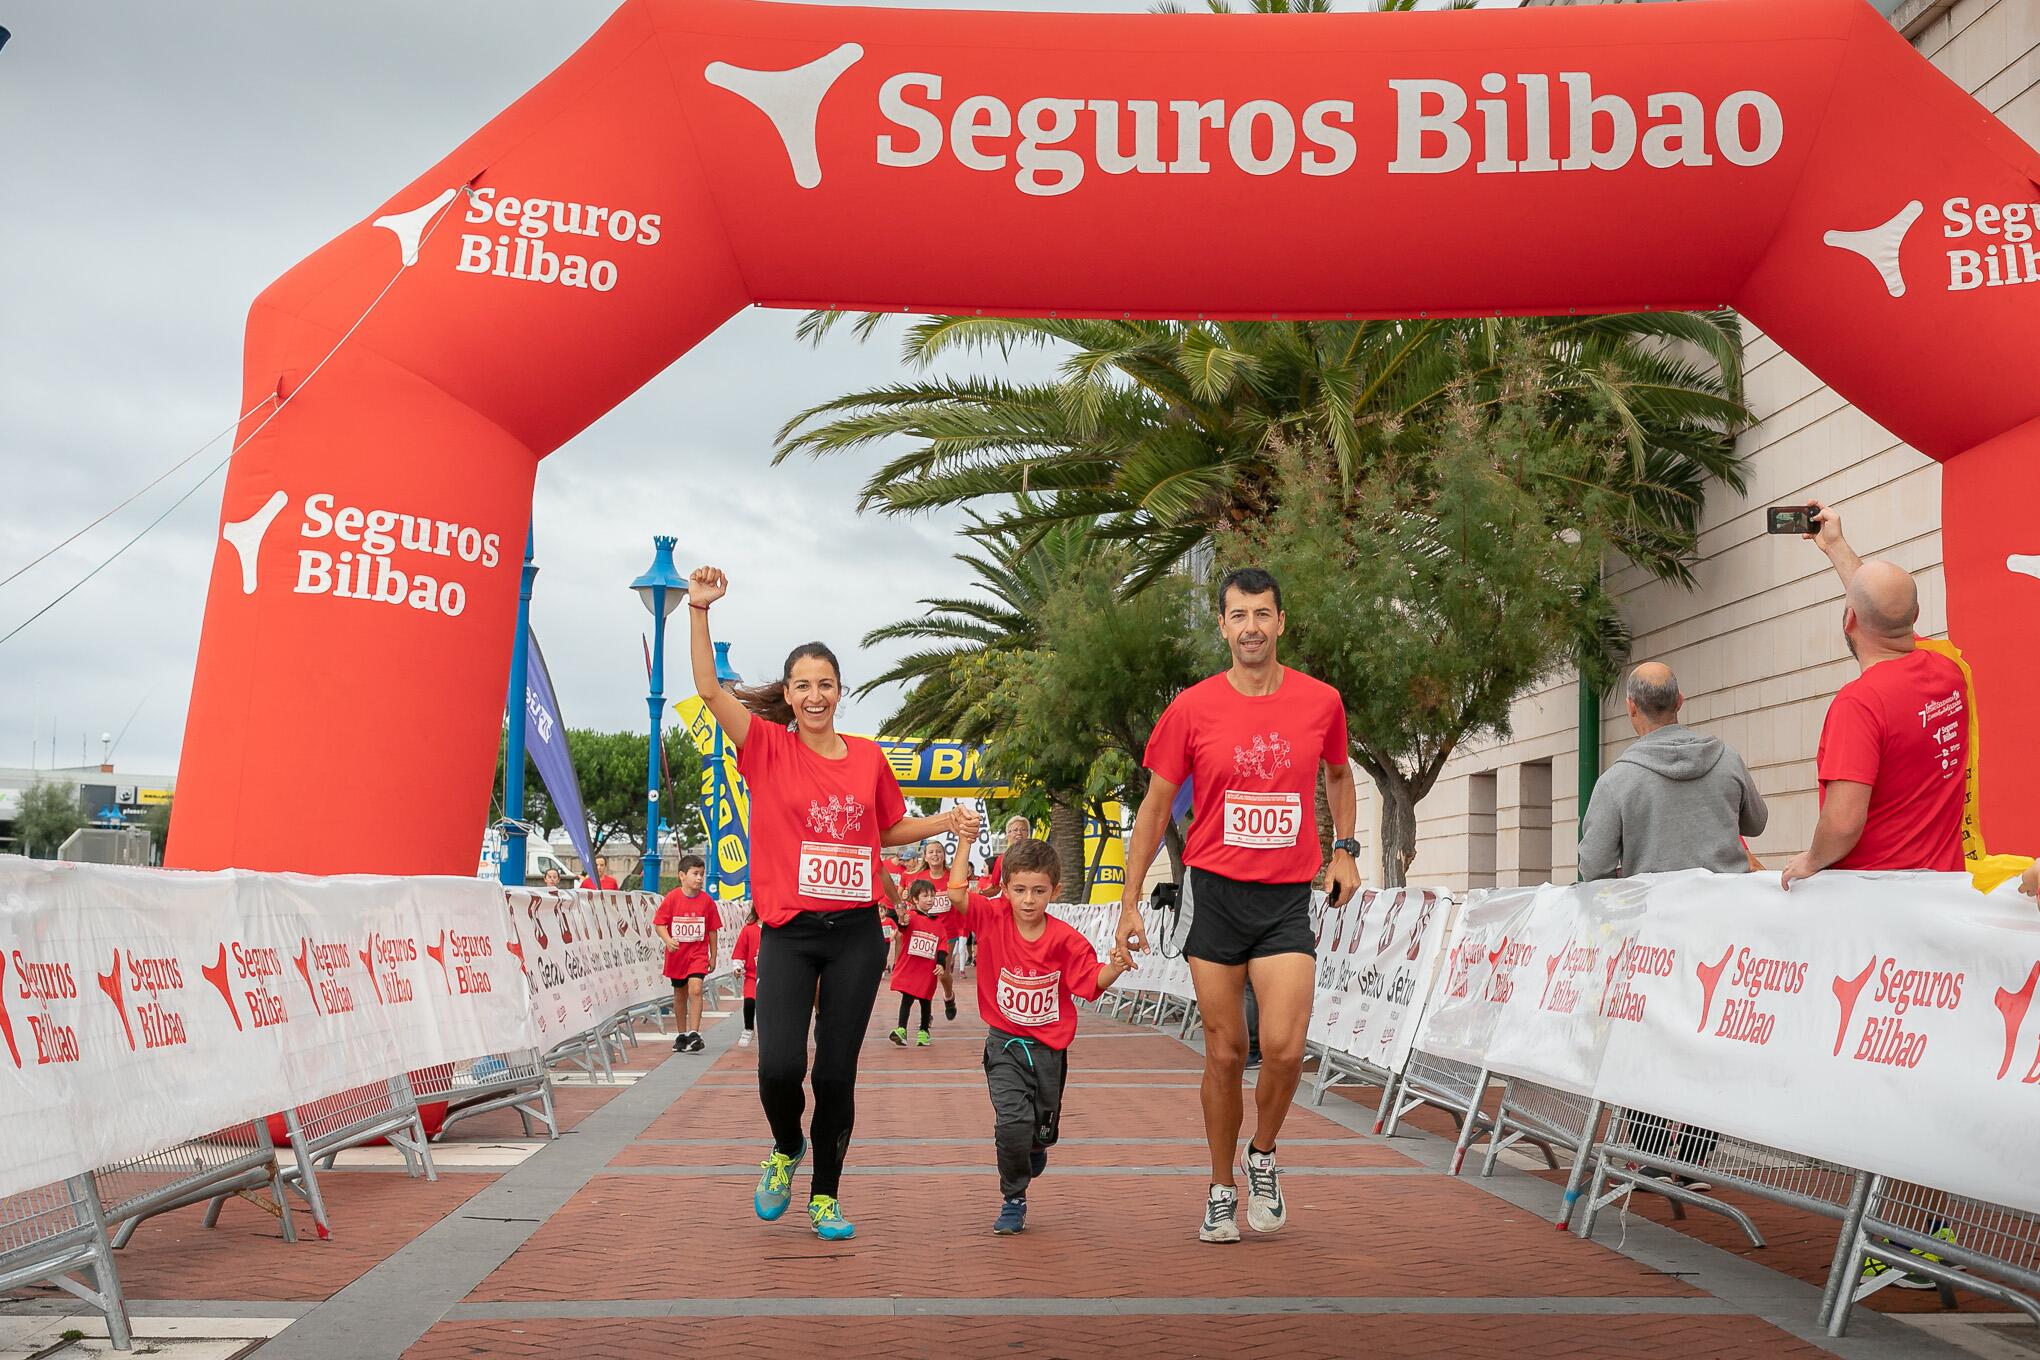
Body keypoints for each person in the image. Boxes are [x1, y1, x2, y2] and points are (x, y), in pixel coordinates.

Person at [686, 564, 966, 1242]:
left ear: (841, 691)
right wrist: (699, 611)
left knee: (836, 1072)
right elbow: (706, 688)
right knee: (781, 1065)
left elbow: (886, 828)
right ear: (788, 693)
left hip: (854, 937)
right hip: (788, 932)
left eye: (826, 685)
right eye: (803, 686)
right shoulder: (765, 746)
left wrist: (945, 822)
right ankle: (786, 1146)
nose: (815, 696)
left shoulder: (869, 758)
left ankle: (826, 1196)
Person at [1116, 566, 1360, 1244]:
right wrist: (1129, 901)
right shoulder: (1192, 709)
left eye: (1262, 614)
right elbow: (1156, 806)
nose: (1250, 626)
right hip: (1213, 894)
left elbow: (1339, 775)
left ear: (1281, 622)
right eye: (1237, 615)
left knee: (1282, 1049)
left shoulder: (1321, 702)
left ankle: (1265, 1154)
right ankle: (1221, 1185)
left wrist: (1346, 848)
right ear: (1222, 626)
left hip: (1285, 897)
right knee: (1226, 1051)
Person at [947, 814, 1132, 1234]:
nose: (1028, 900)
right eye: (1019, 890)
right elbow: (957, 892)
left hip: (1049, 1052)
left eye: (1038, 890)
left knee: (1040, 1131)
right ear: (1005, 888)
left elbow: (1089, 983)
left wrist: (1117, 966)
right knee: (1011, 1122)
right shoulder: (992, 918)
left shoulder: (1067, 940)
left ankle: (1036, 1144)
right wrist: (963, 842)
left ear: (1055, 891)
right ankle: (1014, 1196)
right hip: (1005, 1045)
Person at [1782, 502, 1969, 889]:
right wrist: (1835, 545)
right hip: (1947, 889)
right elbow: (1886, 609)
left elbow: (1844, 822)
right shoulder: (1949, 673)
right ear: (1915, 615)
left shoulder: (1860, 704)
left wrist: (1811, 860)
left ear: (1850, 620)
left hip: (1879, 903)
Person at [1578, 662, 1769, 880]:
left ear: (1631, 707)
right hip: (1725, 907)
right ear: (1679, 701)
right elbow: (1757, 823)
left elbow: (1594, 868)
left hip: (1654, 910)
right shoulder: (1728, 759)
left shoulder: (1615, 781)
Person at [654, 855, 719, 1054]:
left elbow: (713, 930)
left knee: (696, 989)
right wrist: (667, 939)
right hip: (677, 956)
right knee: (680, 995)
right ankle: (681, 1035)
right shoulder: (672, 898)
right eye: (695, 874)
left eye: (702, 874)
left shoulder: (707, 901)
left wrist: (713, 955)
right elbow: (659, 923)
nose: (699, 878)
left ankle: (694, 1033)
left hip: (698, 954)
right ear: (682, 876)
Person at [886, 880, 944, 1046]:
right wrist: (902, 920)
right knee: (907, 996)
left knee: (926, 1000)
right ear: (915, 900)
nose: (930, 899)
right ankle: (901, 1029)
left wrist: (941, 963)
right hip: (912, 968)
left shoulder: (938, 923)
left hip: (928, 970)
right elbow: (903, 926)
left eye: (932, 896)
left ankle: (924, 1031)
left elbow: (942, 944)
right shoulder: (910, 917)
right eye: (925, 896)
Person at [920, 838, 963, 1019]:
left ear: (944, 856)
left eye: (939, 851)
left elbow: (963, 898)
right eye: (931, 852)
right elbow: (913, 902)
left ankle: (948, 996)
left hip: (948, 933)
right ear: (925, 857)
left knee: (942, 973)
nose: (935, 855)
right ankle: (926, 1012)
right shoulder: (920, 878)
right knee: (925, 974)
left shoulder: (953, 876)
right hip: (925, 932)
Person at [731, 909, 762, 1048]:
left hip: (773, 976)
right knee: (749, 1002)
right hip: (752, 976)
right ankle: (748, 1028)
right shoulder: (748, 930)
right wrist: (737, 966)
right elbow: (740, 950)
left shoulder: (778, 930)